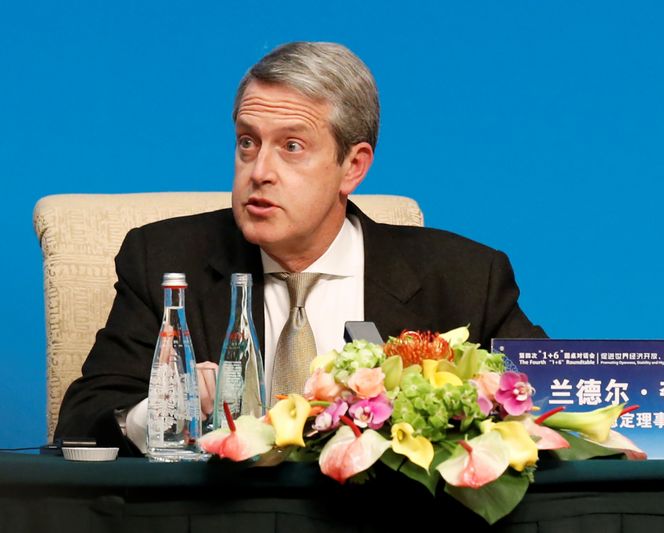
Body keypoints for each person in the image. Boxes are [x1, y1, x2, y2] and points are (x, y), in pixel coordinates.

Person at [54, 42, 546, 455]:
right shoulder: (164, 258)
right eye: (248, 143)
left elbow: (547, 406)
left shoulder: (463, 276)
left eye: (292, 146)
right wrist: (161, 410)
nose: (259, 171)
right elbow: (83, 419)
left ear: (352, 167)